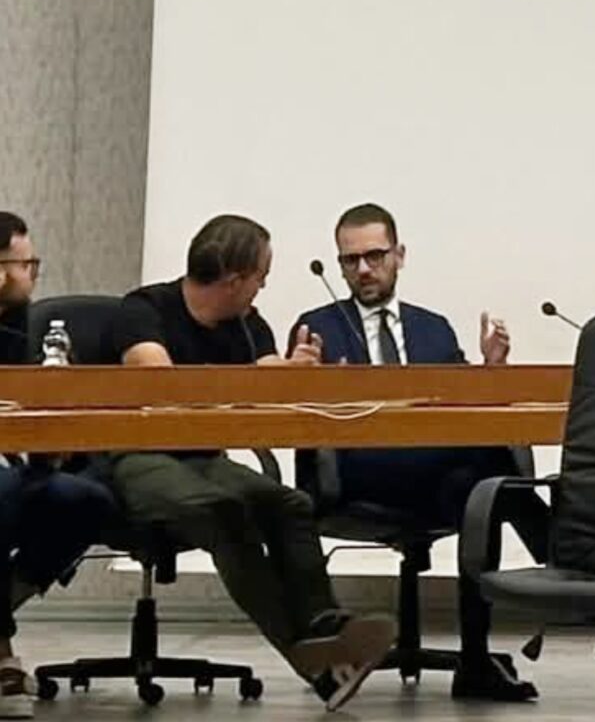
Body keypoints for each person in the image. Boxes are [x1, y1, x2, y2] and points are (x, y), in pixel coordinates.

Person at [106, 214, 395, 711]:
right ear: (234, 279)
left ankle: (323, 624)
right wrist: (242, 382)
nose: (263, 287)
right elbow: (158, 381)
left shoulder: (247, 322)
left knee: (289, 503)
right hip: (141, 455)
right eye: (260, 276)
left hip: (204, 456)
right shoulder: (145, 309)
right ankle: (315, 662)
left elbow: (263, 374)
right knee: (226, 512)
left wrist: (294, 372)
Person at [289, 203, 547, 702]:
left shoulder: (434, 328)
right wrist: (306, 378)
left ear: (400, 256)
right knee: (494, 472)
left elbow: (462, 410)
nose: (364, 269)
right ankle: (566, 561)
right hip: (359, 473)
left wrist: (490, 372)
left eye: (375, 256)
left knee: (483, 488)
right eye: (350, 260)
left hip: (433, 477)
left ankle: (475, 661)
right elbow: (302, 413)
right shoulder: (318, 327)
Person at [0, 212, 117, 719]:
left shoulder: (23, 324)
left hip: (14, 459)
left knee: (86, 500)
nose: (34, 275)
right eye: (27, 264)